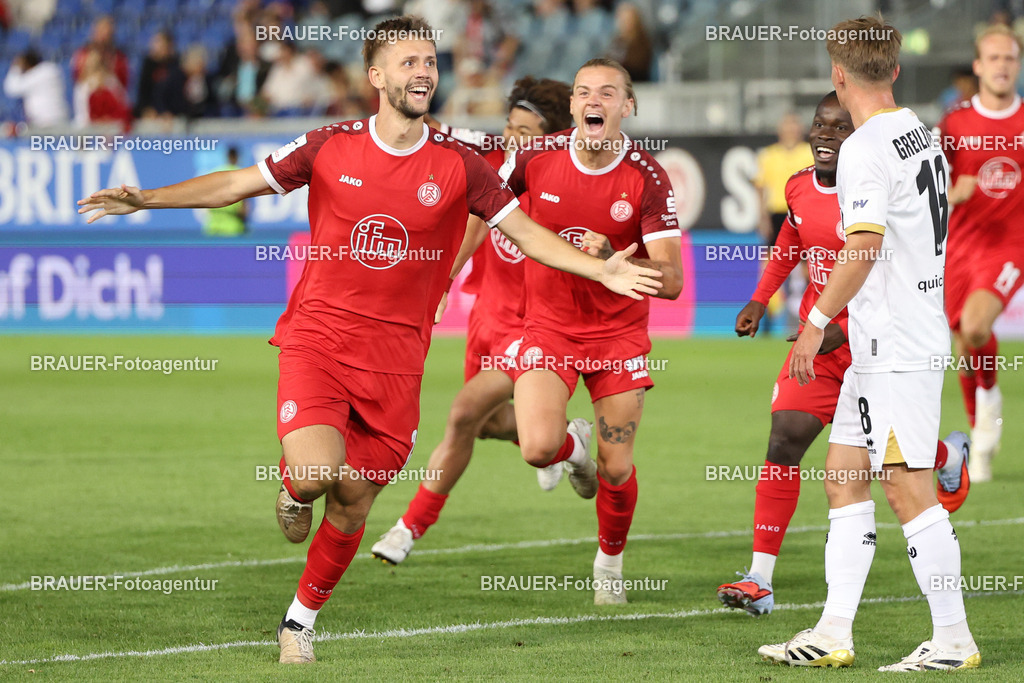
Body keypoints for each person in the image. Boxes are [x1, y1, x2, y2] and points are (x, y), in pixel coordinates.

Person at [77, 16, 661, 665]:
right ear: (375, 76)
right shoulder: (329, 145)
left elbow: (525, 231)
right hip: (320, 339)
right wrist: (148, 198)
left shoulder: (460, 162)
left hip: (397, 363)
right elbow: (238, 182)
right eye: (408, 61)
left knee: (354, 500)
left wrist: (600, 266)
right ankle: (294, 488)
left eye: (430, 62)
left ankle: (298, 620)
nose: (423, 72)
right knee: (317, 471)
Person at [760, 17, 980, 671]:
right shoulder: (919, 131)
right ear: (895, 70)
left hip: (896, 343)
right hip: (883, 339)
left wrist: (813, 319)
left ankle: (954, 636)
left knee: (907, 488)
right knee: (842, 478)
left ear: (837, 75)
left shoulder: (864, 147)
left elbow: (863, 248)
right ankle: (832, 628)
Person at [716, 92, 970, 618]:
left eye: (840, 127)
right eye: (819, 125)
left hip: (874, 343)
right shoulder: (799, 186)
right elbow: (792, 239)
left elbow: (885, 267)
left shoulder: (875, 185)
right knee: (784, 438)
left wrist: (836, 327)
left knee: (890, 470)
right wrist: (761, 298)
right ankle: (759, 578)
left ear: (859, 136)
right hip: (820, 343)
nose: (826, 136)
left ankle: (947, 459)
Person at [370, 76, 575, 565]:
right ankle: (564, 443)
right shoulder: (491, 157)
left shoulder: (559, 177)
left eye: (527, 132)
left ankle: (407, 528)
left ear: (551, 136)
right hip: (488, 316)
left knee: (461, 414)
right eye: (510, 127)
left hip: (533, 327)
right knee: (484, 427)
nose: (514, 138)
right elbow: (432, 128)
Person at [502, 58, 684, 605]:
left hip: (618, 337)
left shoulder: (646, 177)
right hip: (549, 327)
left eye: (608, 93)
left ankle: (609, 563)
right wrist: (444, 277)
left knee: (618, 466)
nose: (593, 101)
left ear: (628, 106)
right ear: (575, 105)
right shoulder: (536, 157)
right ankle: (572, 448)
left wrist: (615, 260)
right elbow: (484, 209)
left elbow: (672, 280)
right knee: (536, 448)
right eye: (584, 92)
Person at [936, 24, 1024, 482]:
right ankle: (981, 433)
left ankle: (989, 401)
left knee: (974, 326)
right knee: (964, 345)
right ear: (978, 67)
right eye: (994, 58)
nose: (1002, 66)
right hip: (961, 246)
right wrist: (952, 193)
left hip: (1010, 246)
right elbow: (925, 189)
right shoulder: (955, 123)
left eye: (1010, 58)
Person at [3, 48, 69, 128]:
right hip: (59, 118)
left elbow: (12, 89)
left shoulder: (38, 74)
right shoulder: (52, 69)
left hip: (46, 122)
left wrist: (16, 68)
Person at [203, 147, 247, 237]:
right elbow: (243, 209)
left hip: (213, 227)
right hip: (232, 228)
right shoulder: (241, 174)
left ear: (227, 156)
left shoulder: (214, 173)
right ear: (237, 157)